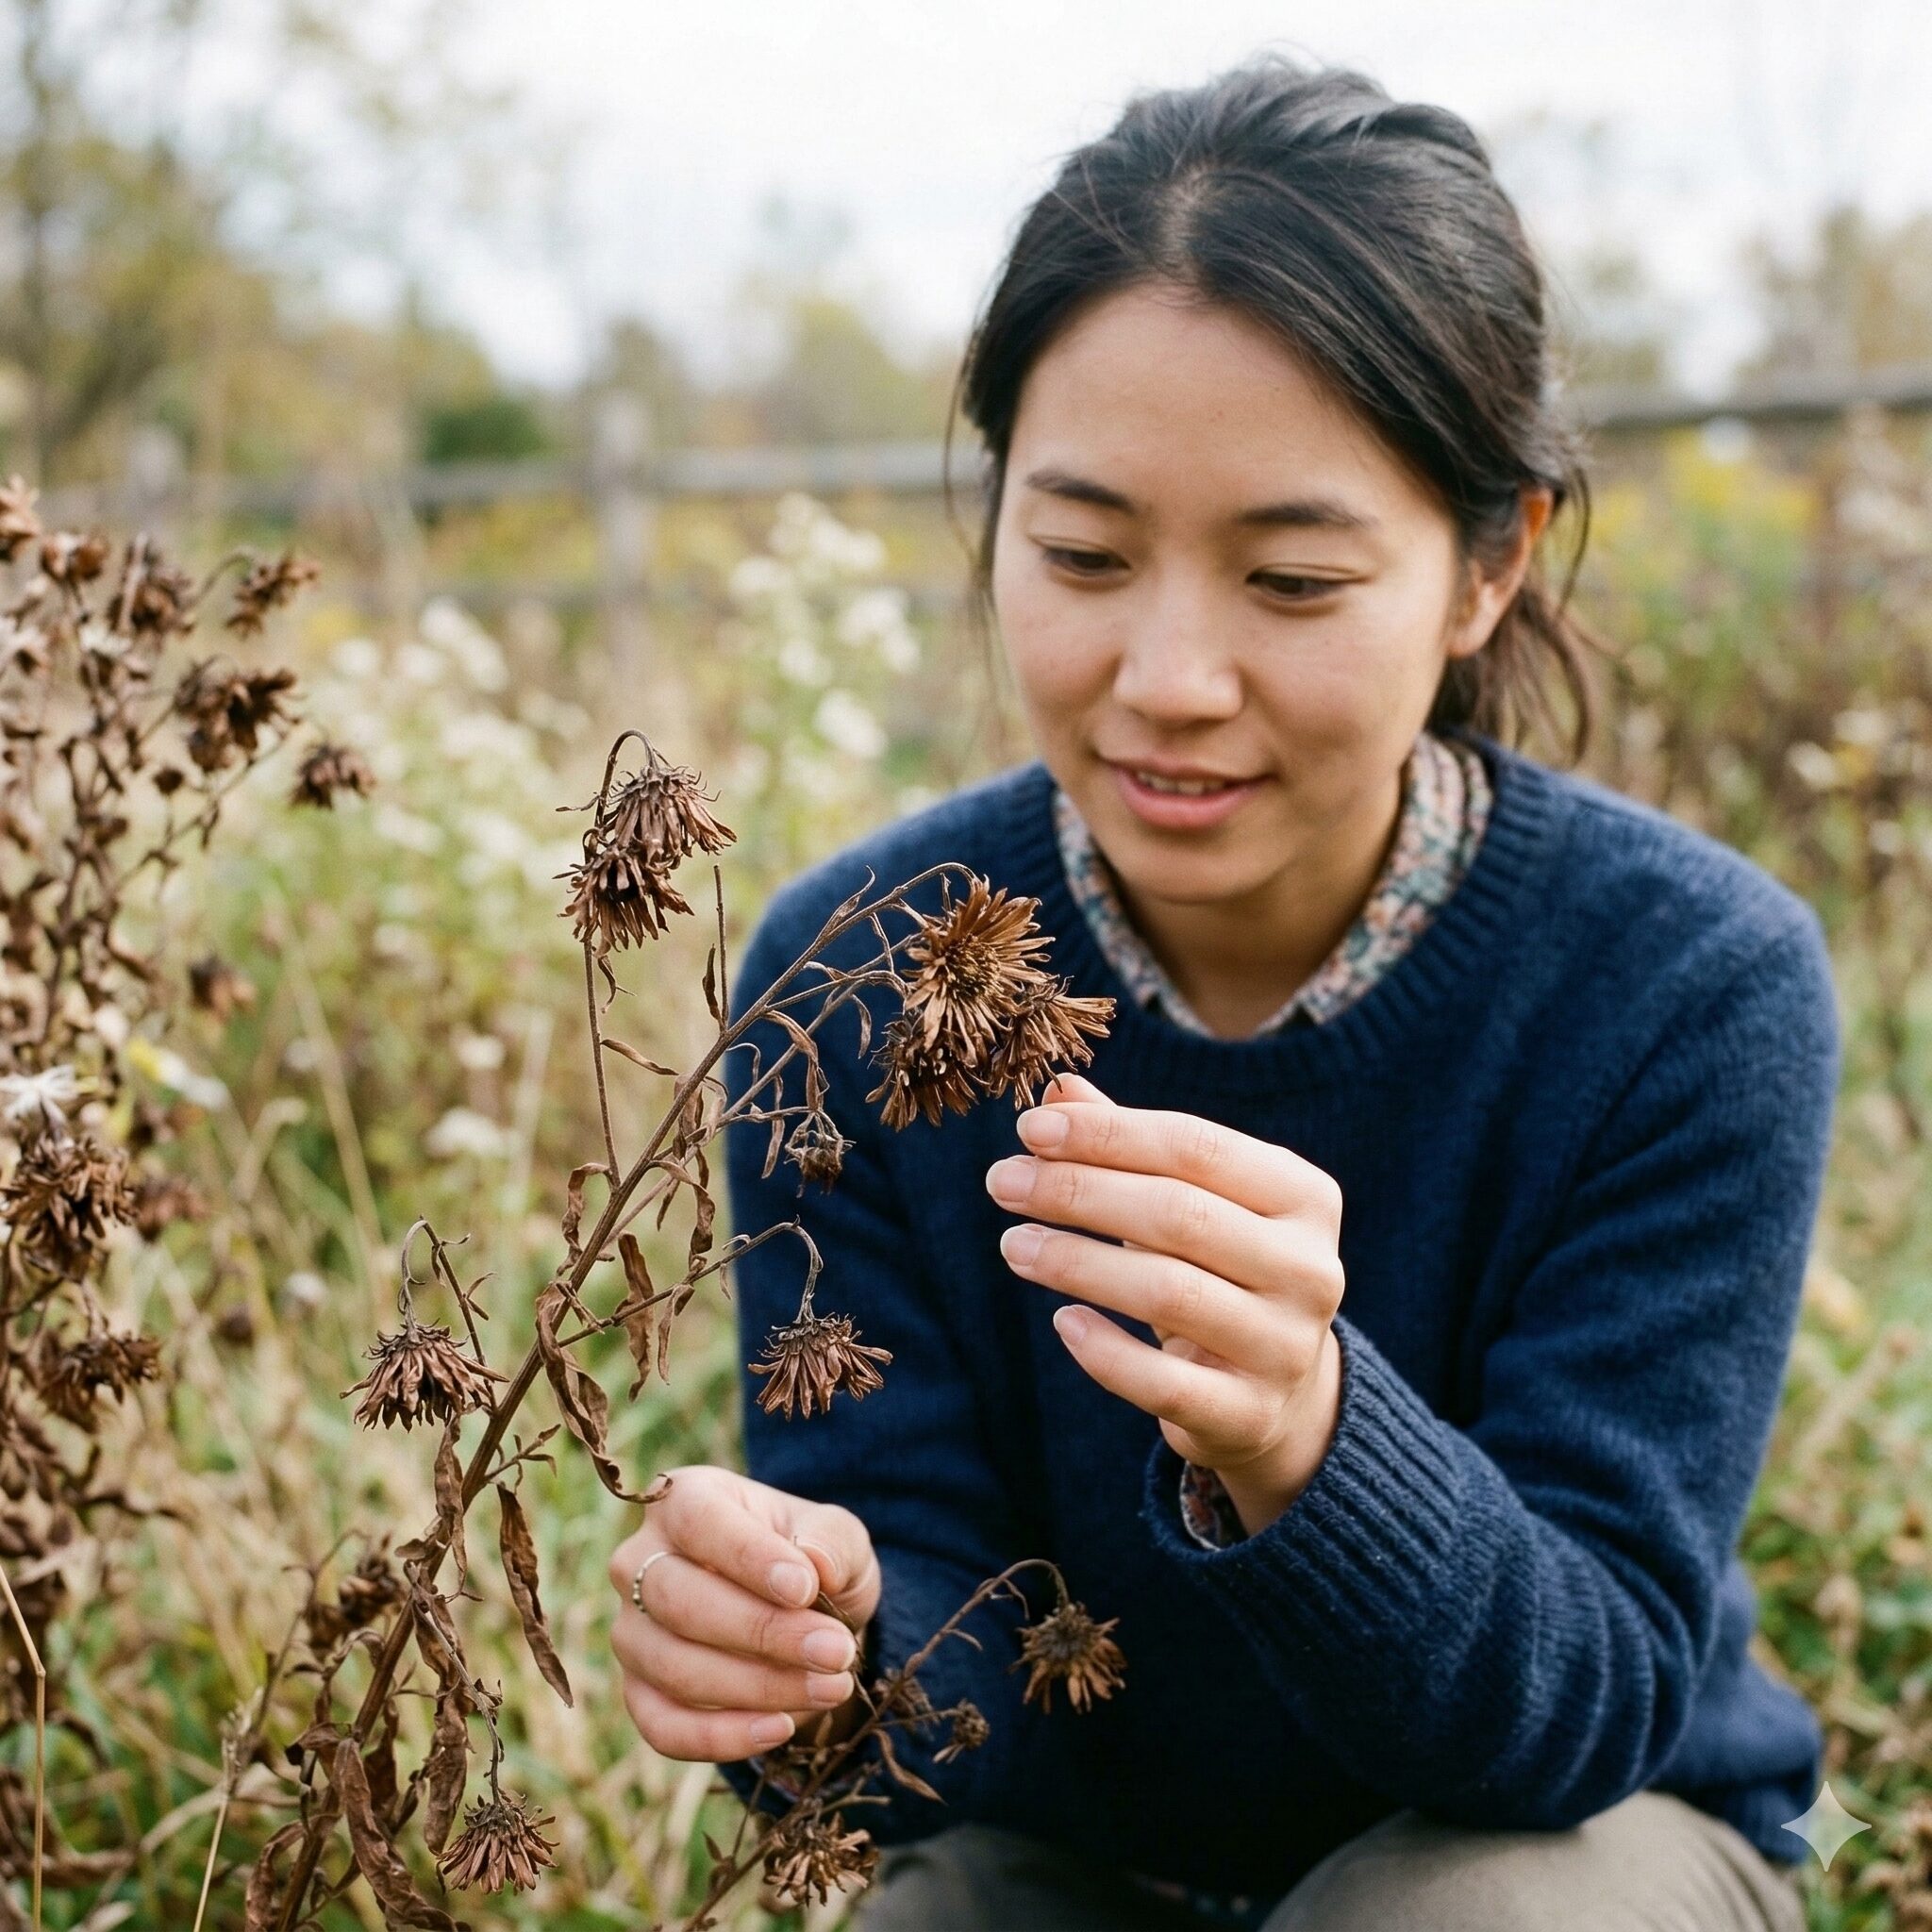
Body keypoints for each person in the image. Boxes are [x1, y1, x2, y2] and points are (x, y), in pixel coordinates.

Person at [606, 54, 1833, 1932]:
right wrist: (824, 1633)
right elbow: (933, 1673)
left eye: (1288, 576)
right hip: (1087, 1861)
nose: (1167, 675)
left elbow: (1580, 1704)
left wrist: (1309, 1441)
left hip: (1569, 1842)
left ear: (1485, 564)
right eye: (1084, 553)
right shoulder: (848, 979)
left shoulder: (1682, 985)